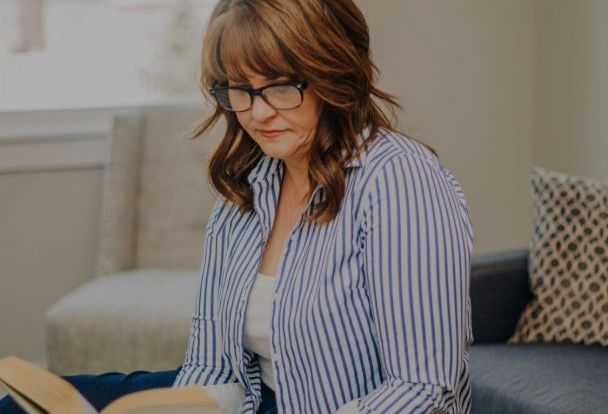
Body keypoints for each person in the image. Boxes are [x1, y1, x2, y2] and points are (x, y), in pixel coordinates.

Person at [0, 0, 474, 413]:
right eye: (240, 88)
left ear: (332, 72)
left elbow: (425, 387)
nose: (258, 112)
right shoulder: (248, 191)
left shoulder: (400, 180)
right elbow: (211, 366)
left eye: (281, 86)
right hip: (253, 401)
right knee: (22, 405)